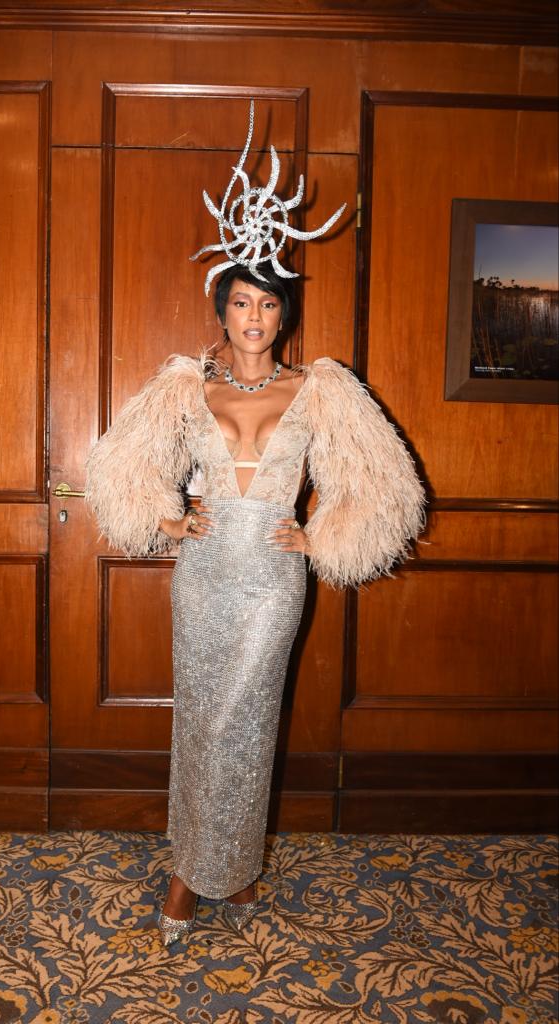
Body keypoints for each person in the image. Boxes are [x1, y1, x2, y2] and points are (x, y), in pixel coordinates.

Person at [84, 102, 427, 949]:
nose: (253, 317)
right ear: (222, 310)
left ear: (283, 315)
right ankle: (201, 869)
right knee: (201, 720)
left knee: (246, 721)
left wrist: (320, 537)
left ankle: (220, 867)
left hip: (273, 579)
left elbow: (384, 483)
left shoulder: (319, 388)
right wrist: (171, 519)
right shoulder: (185, 386)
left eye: (267, 304)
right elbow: (118, 469)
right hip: (204, 576)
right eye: (241, 301)